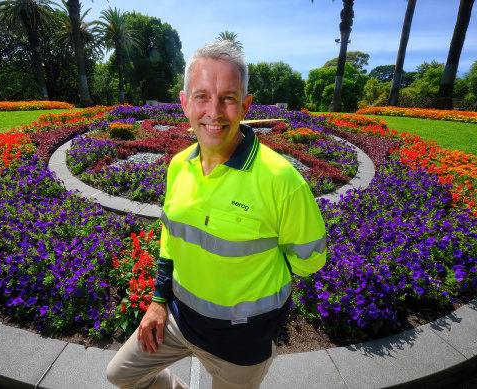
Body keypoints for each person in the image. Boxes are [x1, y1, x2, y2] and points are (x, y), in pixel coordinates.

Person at [106, 40, 327, 389]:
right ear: (184, 103)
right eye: (202, 96)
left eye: (228, 97)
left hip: (242, 343)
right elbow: (170, 238)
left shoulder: (282, 180)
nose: (214, 111)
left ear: (245, 105)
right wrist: (158, 302)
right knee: (121, 375)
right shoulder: (179, 165)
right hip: (178, 322)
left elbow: (309, 260)